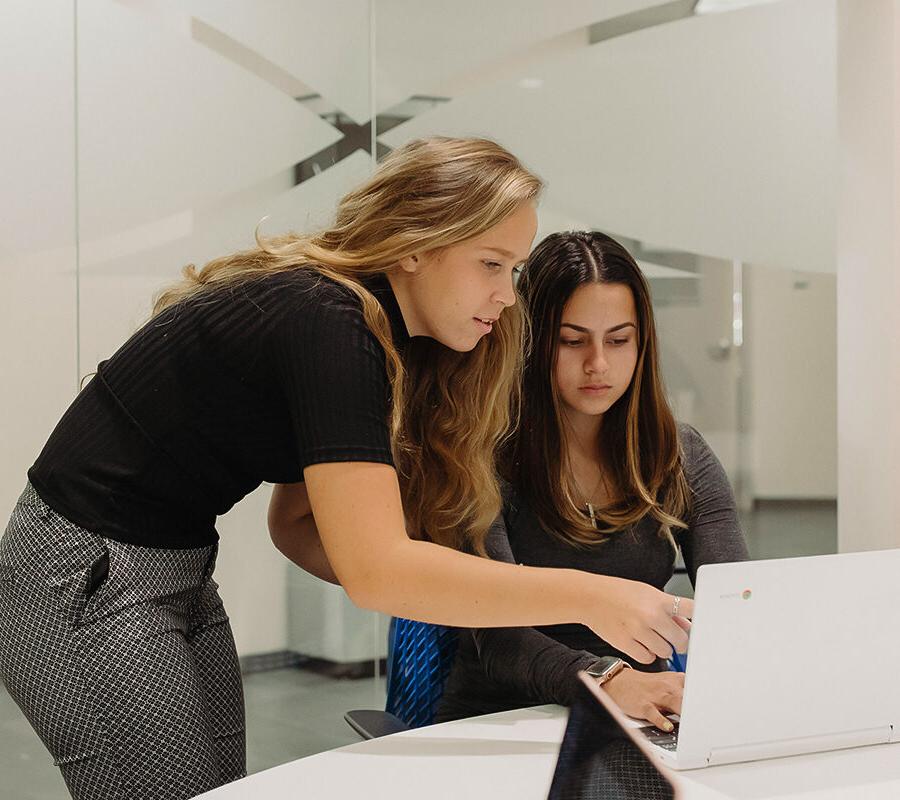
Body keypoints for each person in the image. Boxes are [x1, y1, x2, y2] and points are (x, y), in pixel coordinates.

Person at [0, 139, 692, 800]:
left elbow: (300, 526)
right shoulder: (329, 322)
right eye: (491, 264)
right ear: (419, 244)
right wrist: (589, 596)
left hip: (171, 565)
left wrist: (450, 591)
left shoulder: (382, 336)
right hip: (79, 570)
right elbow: (376, 570)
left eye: (513, 271)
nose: (509, 297)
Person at [437, 231, 749, 731]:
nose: (598, 364)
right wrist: (608, 679)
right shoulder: (482, 454)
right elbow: (499, 638)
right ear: (531, 341)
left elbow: (737, 605)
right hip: (502, 723)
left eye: (619, 339)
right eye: (572, 340)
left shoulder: (680, 456)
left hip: (640, 719)